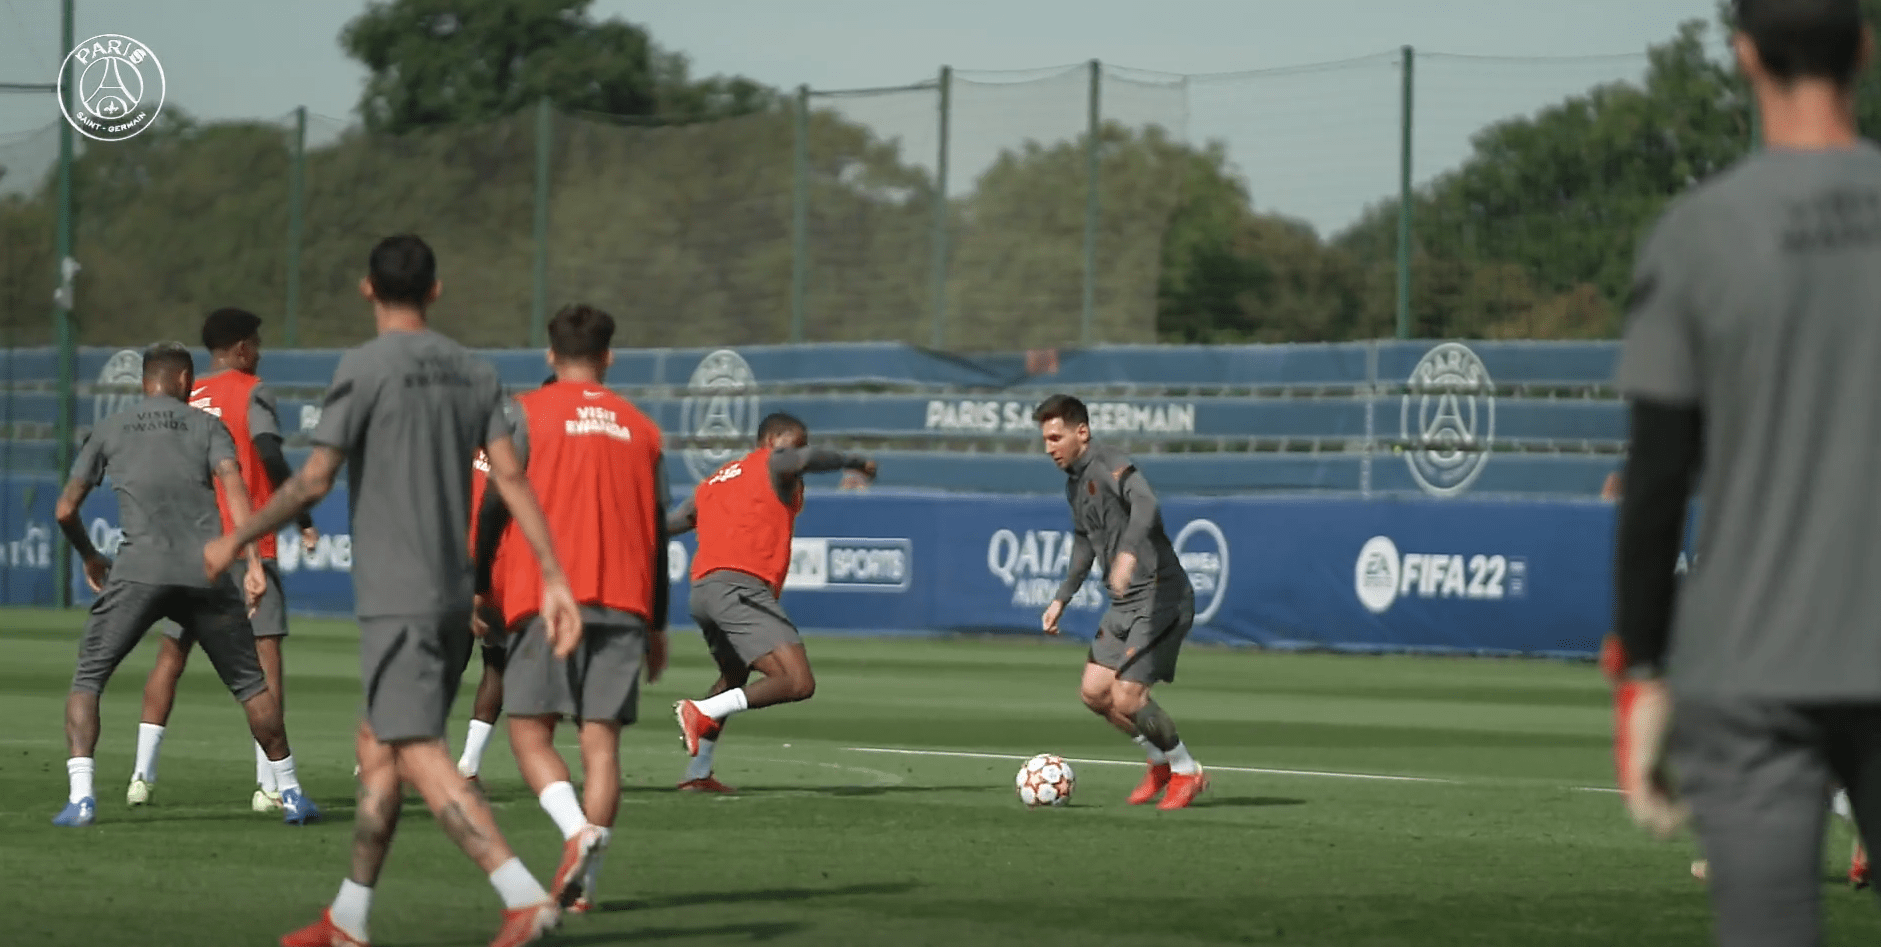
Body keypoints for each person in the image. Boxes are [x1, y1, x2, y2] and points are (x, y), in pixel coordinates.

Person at [204, 234, 580, 947]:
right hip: (452, 591)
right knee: (380, 746)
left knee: (412, 744)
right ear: (435, 290)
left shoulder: (365, 366)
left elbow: (314, 478)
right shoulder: (474, 370)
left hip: (398, 594)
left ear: (366, 289)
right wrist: (552, 573)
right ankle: (349, 917)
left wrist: (233, 537)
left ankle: (521, 891)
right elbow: (509, 476)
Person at [1609, 1, 1881, 943]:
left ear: (1744, 55)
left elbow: (1654, 481)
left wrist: (1641, 676)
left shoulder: (1697, 231)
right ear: (1864, 49)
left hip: (1752, 660)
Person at [52, 342, 316, 827]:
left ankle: (83, 797)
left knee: (88, 679)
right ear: (182, 382)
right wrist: (252, 561)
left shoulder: (110, 429)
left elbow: (65, 509)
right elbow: (234, 489)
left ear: (146, 381)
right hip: (206, 573)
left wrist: (90, 554)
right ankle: (292, 792)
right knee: (252, 686)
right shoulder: (208, 426)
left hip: (137, 571)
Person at [473, 305, 668, 913]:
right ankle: (587, 885)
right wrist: (659, 621)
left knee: (529, 731)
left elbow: (494, 506)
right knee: (601, 744)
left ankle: (573, 832)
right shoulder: (643, 427)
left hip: (544, 597)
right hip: (628, 599)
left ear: (550, 355)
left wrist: (479, 584)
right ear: (609, 357)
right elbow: (659, 532)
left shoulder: (526, 413)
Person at [127, 307, 320, 813]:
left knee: (172, 654)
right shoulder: (251, 391)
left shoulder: (187, 394)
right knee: (265, 661)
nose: (259, 352)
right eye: (255, 343)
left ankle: (140, 776)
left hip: (188, 547)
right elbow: (268, 451)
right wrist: (300, 513)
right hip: (245, 545)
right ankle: (270, 785)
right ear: (240, 348)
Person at [668, 413, 876, 792]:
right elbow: (801, 460)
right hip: (739, 585)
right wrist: (854, 462)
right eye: (797, 443)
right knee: (797, 681)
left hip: (704, 591)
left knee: (734, 676)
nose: (800, 453)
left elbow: (676, 521)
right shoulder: (773, 460)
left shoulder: (716, 480)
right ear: (772, 440)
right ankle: (701, 711)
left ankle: (698, 774)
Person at [1033, 394, 1206, 810]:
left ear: (1082, 432)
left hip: (1162, 594)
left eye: (1056, 437)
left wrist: (1128, 552)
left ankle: (1187, 770)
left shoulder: (1110, 462)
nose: (1049, 447)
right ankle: (1158, 761)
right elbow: (1082, 543)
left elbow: (1147, 503)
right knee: (1094, 693)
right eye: (1045, 439)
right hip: (1125, 601)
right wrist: (1061, 599)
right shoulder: (1075, 484)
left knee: (1128, 696)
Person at [456, 374, 553, 786]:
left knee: (486, 661)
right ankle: (460, 763)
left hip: (466, 565)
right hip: (492, 568)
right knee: (493, 663)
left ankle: (465, 765)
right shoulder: (529, 449)